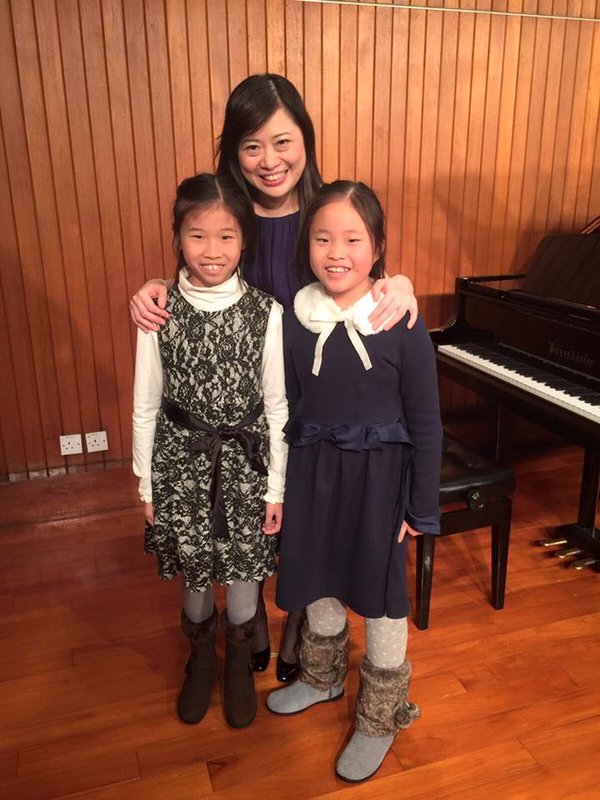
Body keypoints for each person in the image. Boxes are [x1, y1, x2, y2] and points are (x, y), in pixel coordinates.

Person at [129, 74, 420, 682]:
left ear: (306, 140)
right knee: (249, 522)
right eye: (252, 145)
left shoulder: (325, 213)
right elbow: (202, 277)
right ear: (233, 151)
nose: (270, 160)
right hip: (248, 414)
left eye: (283, 141)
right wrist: (156, 286)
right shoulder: (229, 215)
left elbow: (365, 274)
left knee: (304, 529)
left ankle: (303, 633)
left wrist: (401, 283)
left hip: (314, 407)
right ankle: (250, 625)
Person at [266, 180, 442, 782]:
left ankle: (381, 715)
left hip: (379, 483)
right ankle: (322, 677)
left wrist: (419, 505)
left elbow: (426, 421)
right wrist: (280, 486)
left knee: (381, 597)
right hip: (313, 472)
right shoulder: (295, 318)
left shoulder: (401, 319)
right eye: (322, 238)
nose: (336, 252)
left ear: (378, 247)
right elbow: (287, 404)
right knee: (318, 576)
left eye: (352, 239)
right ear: (306, 246)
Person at [132, 172, 288, 729]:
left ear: (244, 239)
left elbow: (277, 407)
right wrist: (147, 485)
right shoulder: (159, 312)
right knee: (195, 577)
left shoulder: (267, 312)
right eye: (197, 235)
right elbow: (146, 405)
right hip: (181, 467)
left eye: (226, 236)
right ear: (178, 238)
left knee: (243, 575)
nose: (212, 250)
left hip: (247, 468)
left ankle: (238, 661)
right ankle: (200, 657)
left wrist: (276, 488)